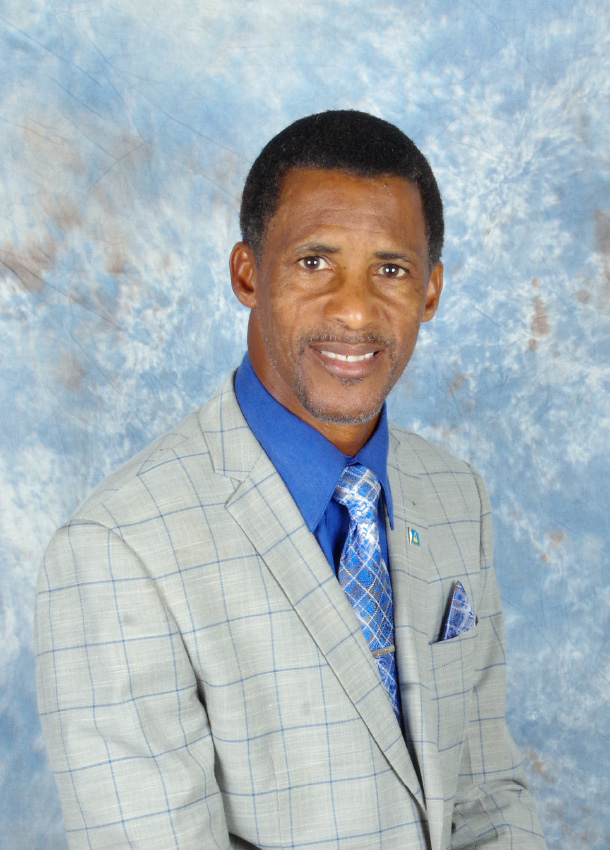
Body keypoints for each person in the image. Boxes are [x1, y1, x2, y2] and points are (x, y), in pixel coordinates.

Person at [35, 110, 547, 850]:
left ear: (431, 291)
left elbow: (489, 797)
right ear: (248, 273)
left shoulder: (454, 495)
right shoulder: (115, 552)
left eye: (391, 269)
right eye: (314, 262)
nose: (355, 309)